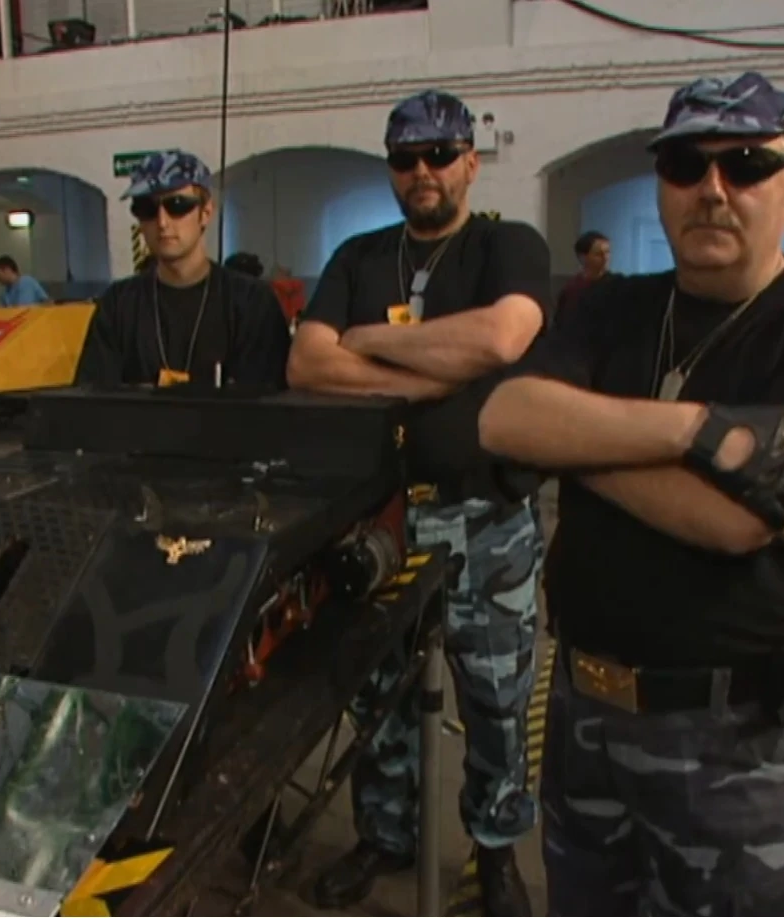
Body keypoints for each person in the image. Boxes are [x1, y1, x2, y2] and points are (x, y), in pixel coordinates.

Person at [470, 71, 784, 915]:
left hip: (738, 746)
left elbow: (741, 517)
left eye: (746, 165)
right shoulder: (609, 308)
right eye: (684, 165)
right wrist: (703, 432)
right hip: (584, 719)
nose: (712, 188)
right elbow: (504, 417)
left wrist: (577, 446)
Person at [287, 89, 553, 915]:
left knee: (496, 699)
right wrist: (438, 373)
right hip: (381, 520)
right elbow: (307, 364)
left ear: (471, 161)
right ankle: (384, 834)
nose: (423, 171)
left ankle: (495, 850)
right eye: (406, 159)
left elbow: (502, 338)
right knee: (377, 693)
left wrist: (368, 340)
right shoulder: (358, 258)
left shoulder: (507, 246)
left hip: (487, 521)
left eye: (440, 155)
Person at [74, 150, 291, 390]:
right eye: (146, 208)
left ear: (205, 213)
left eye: (177, 205)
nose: (162, 222)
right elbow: (93, 399)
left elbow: (266, 401)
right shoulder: (118, 305)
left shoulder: (251, 303)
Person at [556, 230, 611, 312]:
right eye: (598, 254)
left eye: (607, 252)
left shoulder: (616, 287)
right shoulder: (572, 290)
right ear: (583, 257)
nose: (605, 258)